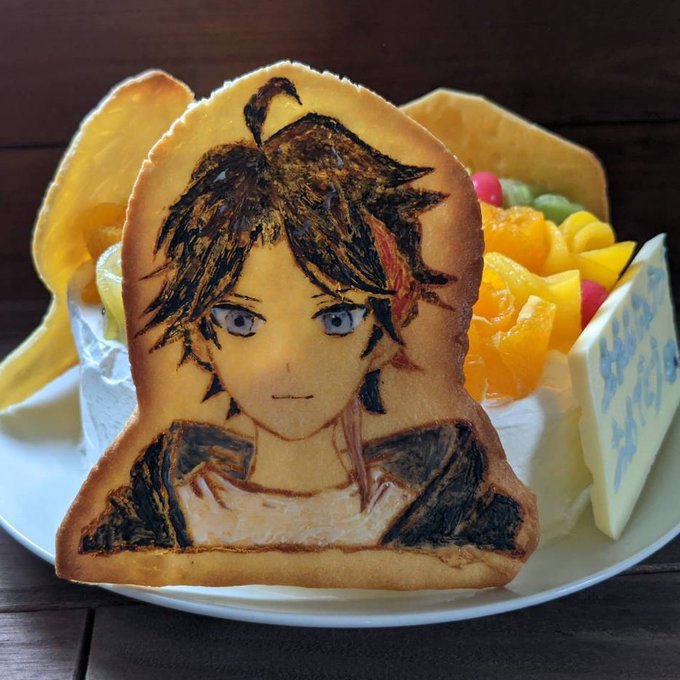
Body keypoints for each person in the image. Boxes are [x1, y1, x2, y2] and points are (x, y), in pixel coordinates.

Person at [80, 77, 526, 560]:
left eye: (337, 319)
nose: (287, 363)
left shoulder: (457, 509)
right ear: (201, 337)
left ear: (385, 334)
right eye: (240, 321)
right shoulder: (148, 510)